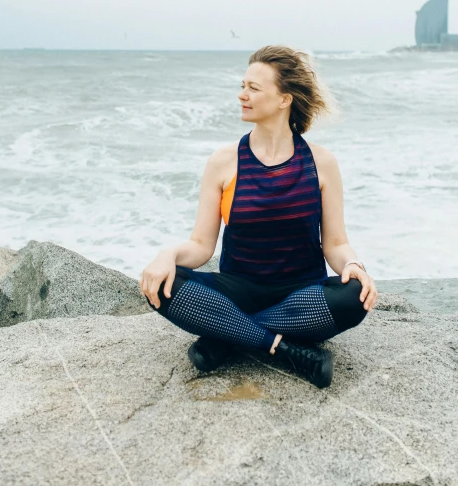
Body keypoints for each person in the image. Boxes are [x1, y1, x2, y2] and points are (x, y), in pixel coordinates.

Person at [139, 45, 377, 389]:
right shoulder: (223, 161)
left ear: (284, 99)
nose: (242, 95)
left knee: (355, 295)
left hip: (301, 295)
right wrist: (167, 256)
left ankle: (226, 333)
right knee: (161, 284)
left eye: (254, 88)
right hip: (237, 289)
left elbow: (336, 244)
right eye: (242, 85)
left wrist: (353, 266)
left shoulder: (321, 163)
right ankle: (281, 347)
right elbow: (201, 246)